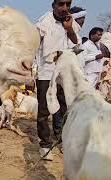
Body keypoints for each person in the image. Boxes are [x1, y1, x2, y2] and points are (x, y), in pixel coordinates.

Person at [35, 0, 81, 160]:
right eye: (61, 4)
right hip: (46, 73)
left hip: (64, 73)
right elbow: (35, 46)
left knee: (64, 108)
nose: (65, 8)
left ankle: (61, 140)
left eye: (68, 4)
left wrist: (69, 30)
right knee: (43, 111)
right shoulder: (43, 22)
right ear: (53, 5)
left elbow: (77, 44)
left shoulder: (70, 21)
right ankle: (45, 144)